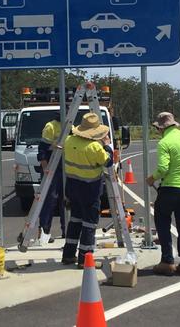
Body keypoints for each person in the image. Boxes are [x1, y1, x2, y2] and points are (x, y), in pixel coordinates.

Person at [146, 112, 180, 277]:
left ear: (160, 128)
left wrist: (151, 178)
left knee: (162, 221)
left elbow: (163, 168)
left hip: (170, 188)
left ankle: (167, 261)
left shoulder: (164, 143)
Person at [62, 112, 113, 268]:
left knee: (75, 221)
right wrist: (107, 146)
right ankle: (85, 259)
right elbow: (108, 162)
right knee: (89, 225)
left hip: (72, 187)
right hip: (89, 190)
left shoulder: (69, 140)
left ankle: (68, 255)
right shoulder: (94, 147)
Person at [37, 111, 66, 242]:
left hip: (65, 166)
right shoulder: (51, 126)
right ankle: (45, 232)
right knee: (50, 199)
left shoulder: (69, 126)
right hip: (52, 165)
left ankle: (66, 230)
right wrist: (45, 167)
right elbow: (42, 149)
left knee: (66, 199)